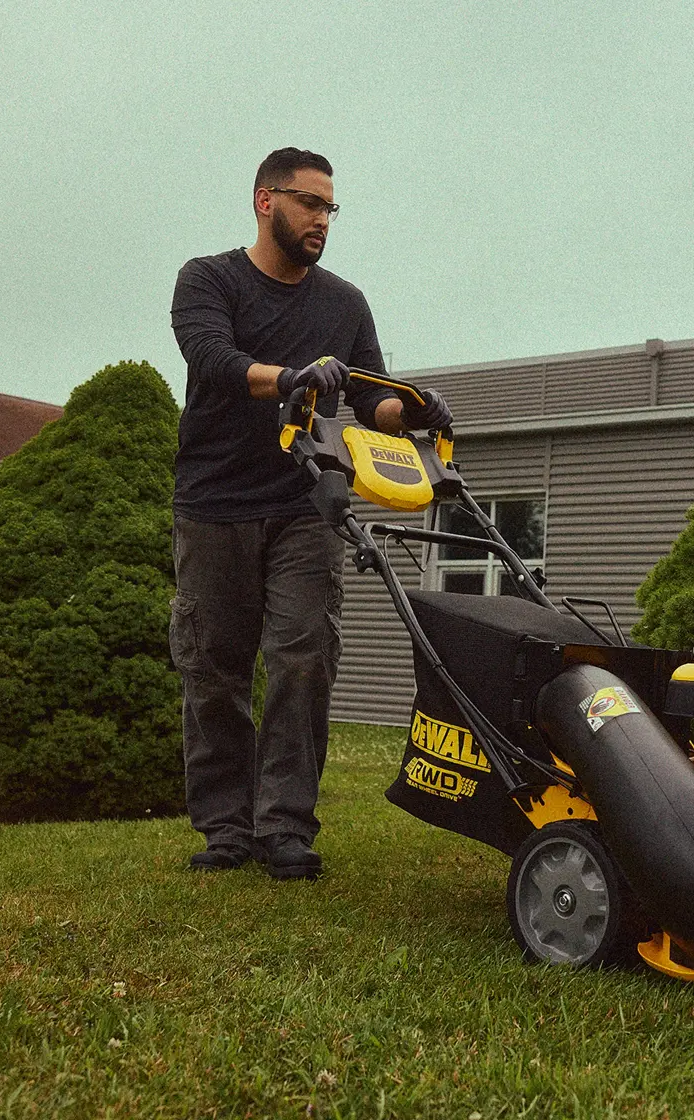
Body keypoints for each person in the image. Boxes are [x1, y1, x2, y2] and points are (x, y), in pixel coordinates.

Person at [169, 147, 451, 880]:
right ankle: (226, 829)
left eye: (331, 208)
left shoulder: (343, 302)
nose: (323, 219)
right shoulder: (209, 279)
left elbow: (370, 396)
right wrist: (290, 379)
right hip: (213, 503)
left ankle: (285, 828)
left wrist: (411, 407)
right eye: (309, 204)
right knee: (215, 670)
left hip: (306, 502)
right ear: (266, 201)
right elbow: (214, 360)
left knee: (302, 659)